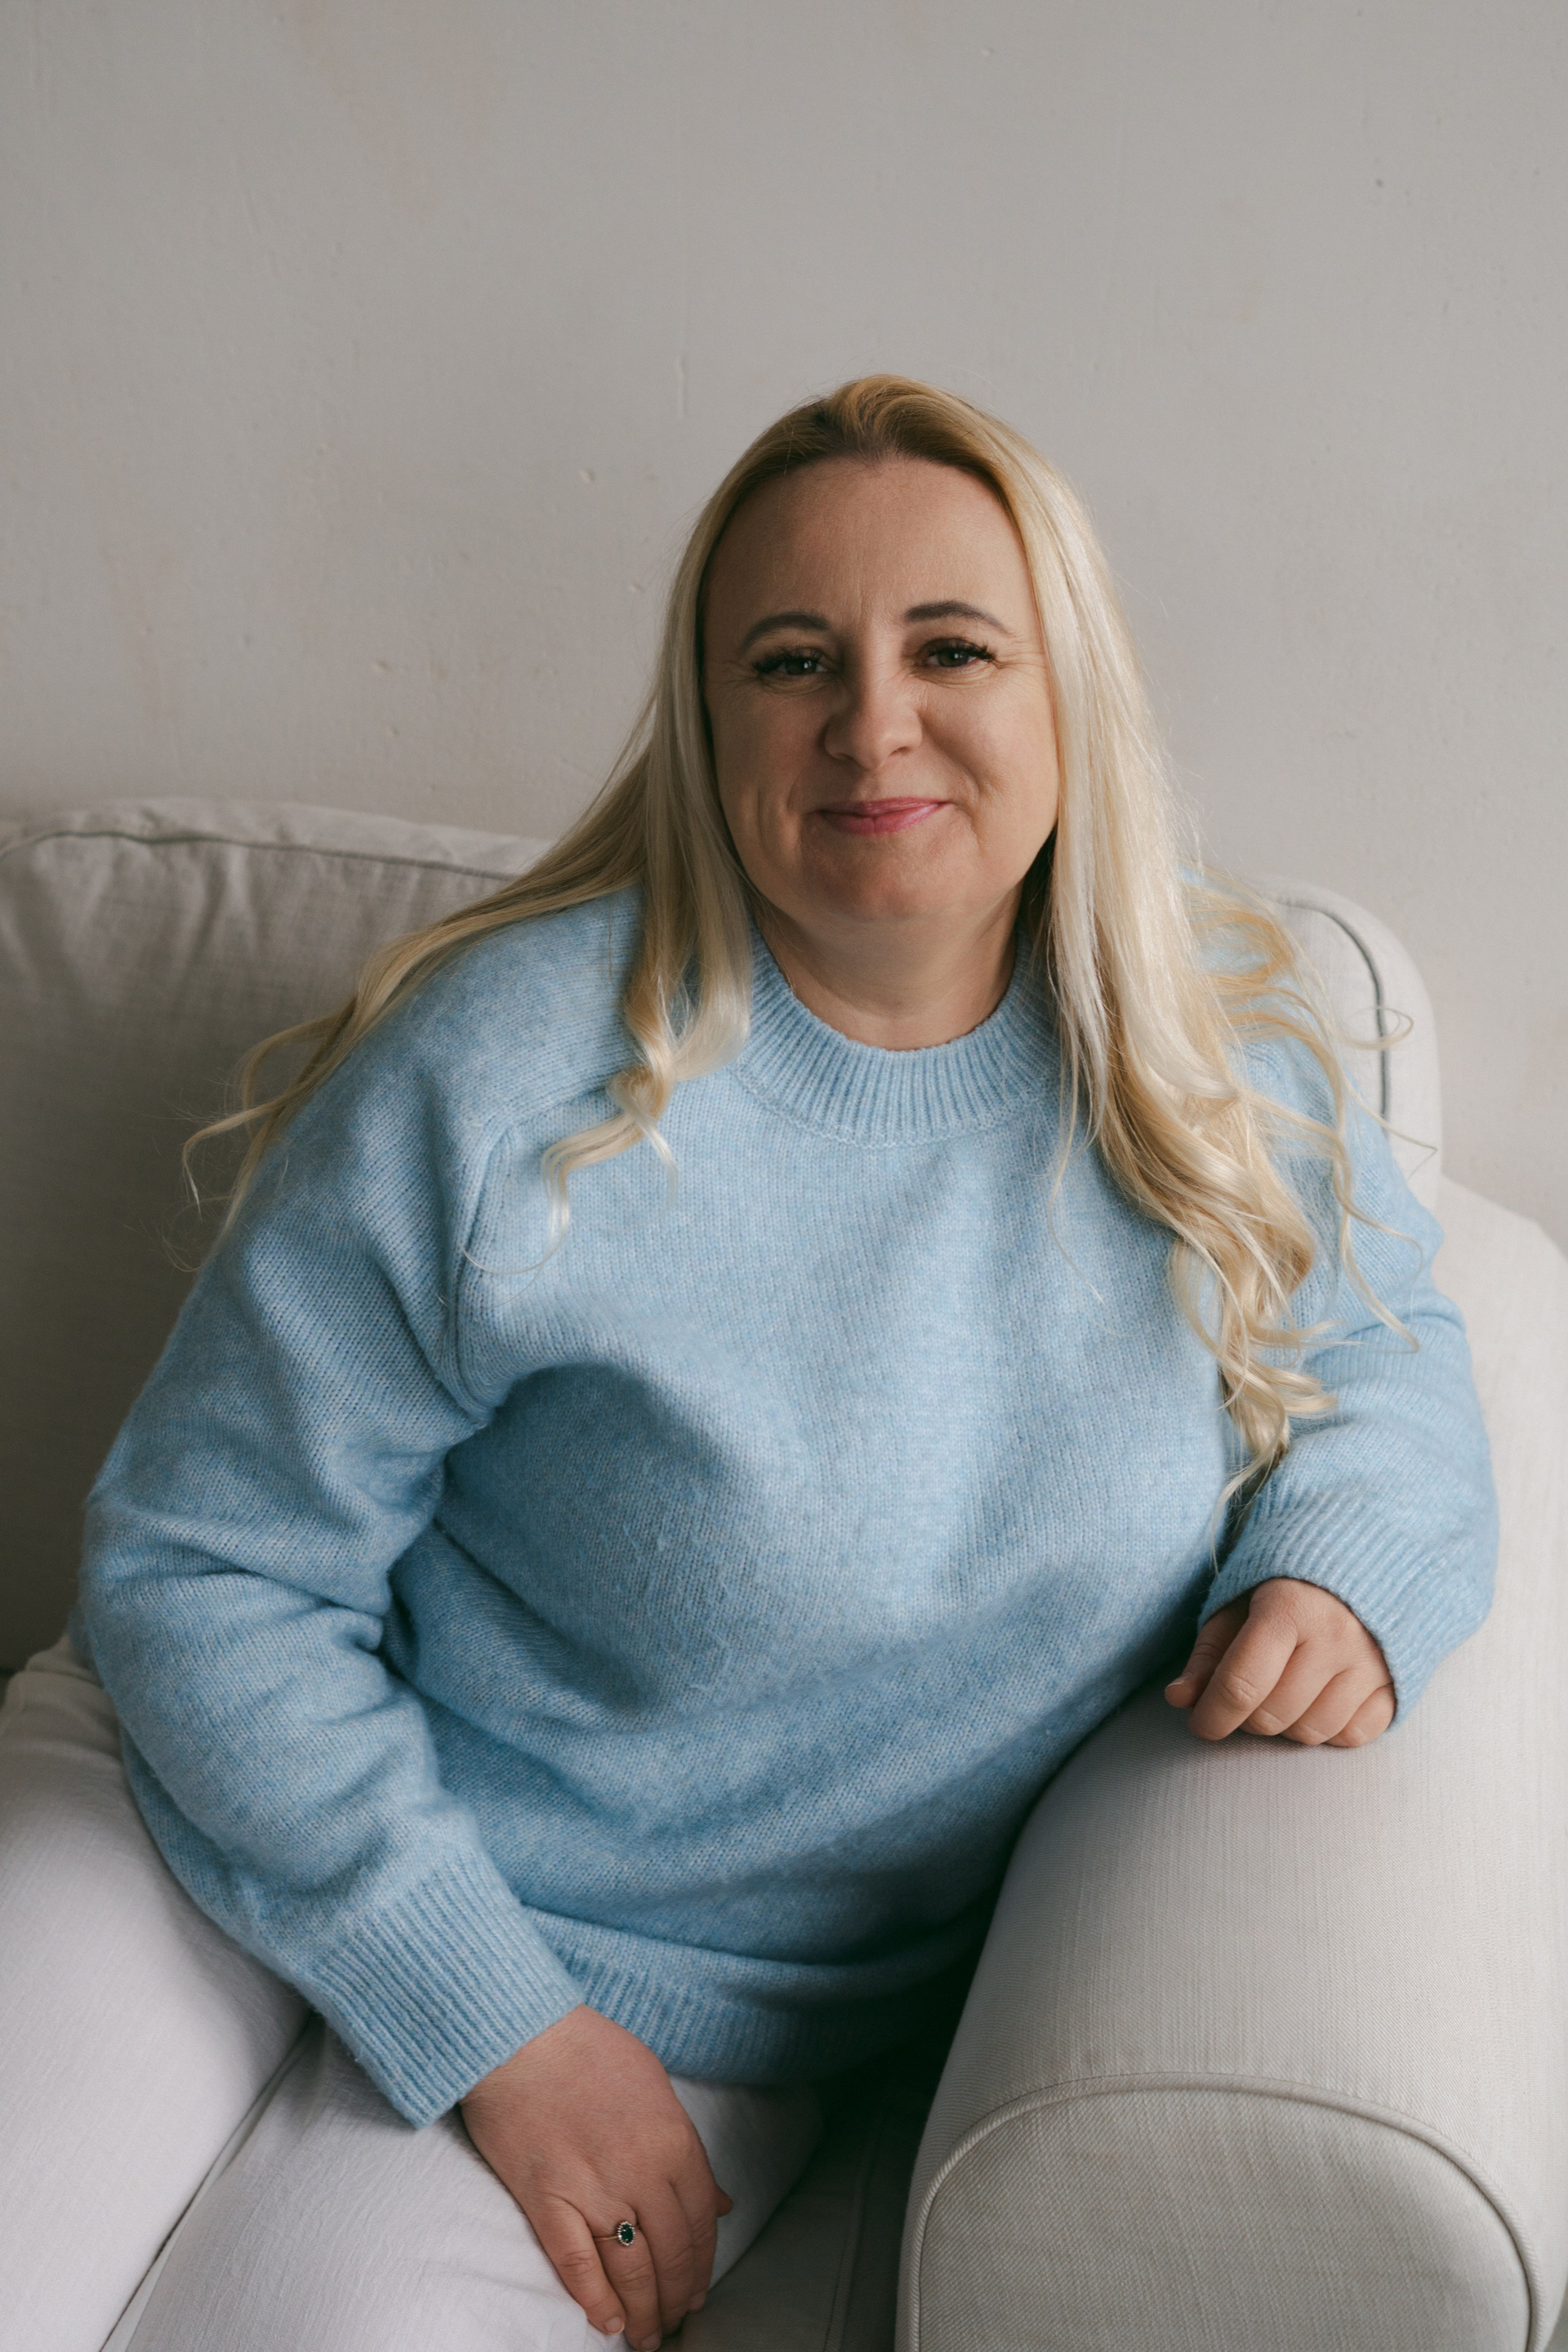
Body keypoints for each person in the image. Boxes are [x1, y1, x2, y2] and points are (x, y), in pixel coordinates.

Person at [0, 376, 1494, 2352]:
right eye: (793, 661)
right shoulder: (504, 1066)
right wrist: (490, 2018)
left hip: (686, 1997)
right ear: (709, 728)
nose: (873, 724)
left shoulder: (1224, 1070)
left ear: (1071, 688)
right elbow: (206, 1565)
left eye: (950, 648)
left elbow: (1395, 1360)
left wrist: (1346, 1571)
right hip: (197, 1794)